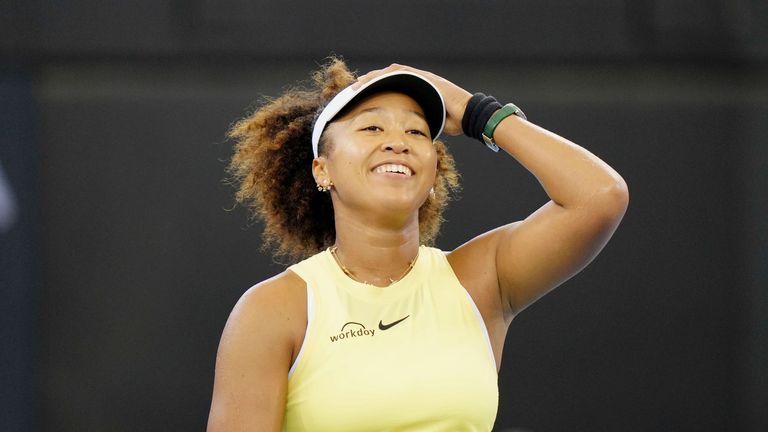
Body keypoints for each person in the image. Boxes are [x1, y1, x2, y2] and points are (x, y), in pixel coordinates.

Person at [207, 58, 628, 431]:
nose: (398, 141)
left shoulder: (480, 280)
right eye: (372, 126)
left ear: (432, 175)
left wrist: (475, 111)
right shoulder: (274, 309)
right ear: (322, 169)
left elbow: (599, 196)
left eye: (417, 131)